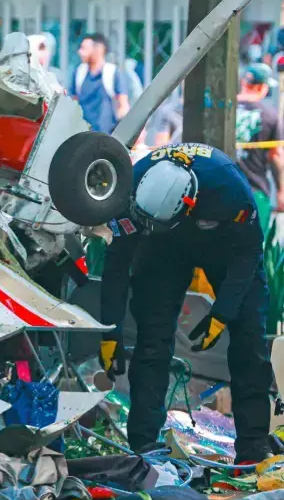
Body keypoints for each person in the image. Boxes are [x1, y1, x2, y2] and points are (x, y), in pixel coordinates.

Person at [99, 143, 273, 464]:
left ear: (189, 203)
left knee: (249, 337)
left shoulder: (229, 188)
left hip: (224, 245)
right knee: (152, 338)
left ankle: (253, 445)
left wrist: (222, 314)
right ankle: (144, 446)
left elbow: (248, 254)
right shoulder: (130, 189)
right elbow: (118, 261)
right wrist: (110, 329)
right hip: (161, 246)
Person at [236, 63, 284, 230]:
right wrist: (280, 191)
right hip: (254, 190)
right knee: (253, 247)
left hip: (220, 188)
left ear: (244, 83)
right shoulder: (270, 115)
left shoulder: (221, 109)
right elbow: (275, 155)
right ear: (262, 87)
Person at [69, 33, 130, 134]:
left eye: (84, 48)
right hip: (82, 134)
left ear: (99, 49)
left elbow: (123, 104)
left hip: (106, 135)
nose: (80, 52)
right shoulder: (79, 72)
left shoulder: (112, 73)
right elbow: (72, 101)